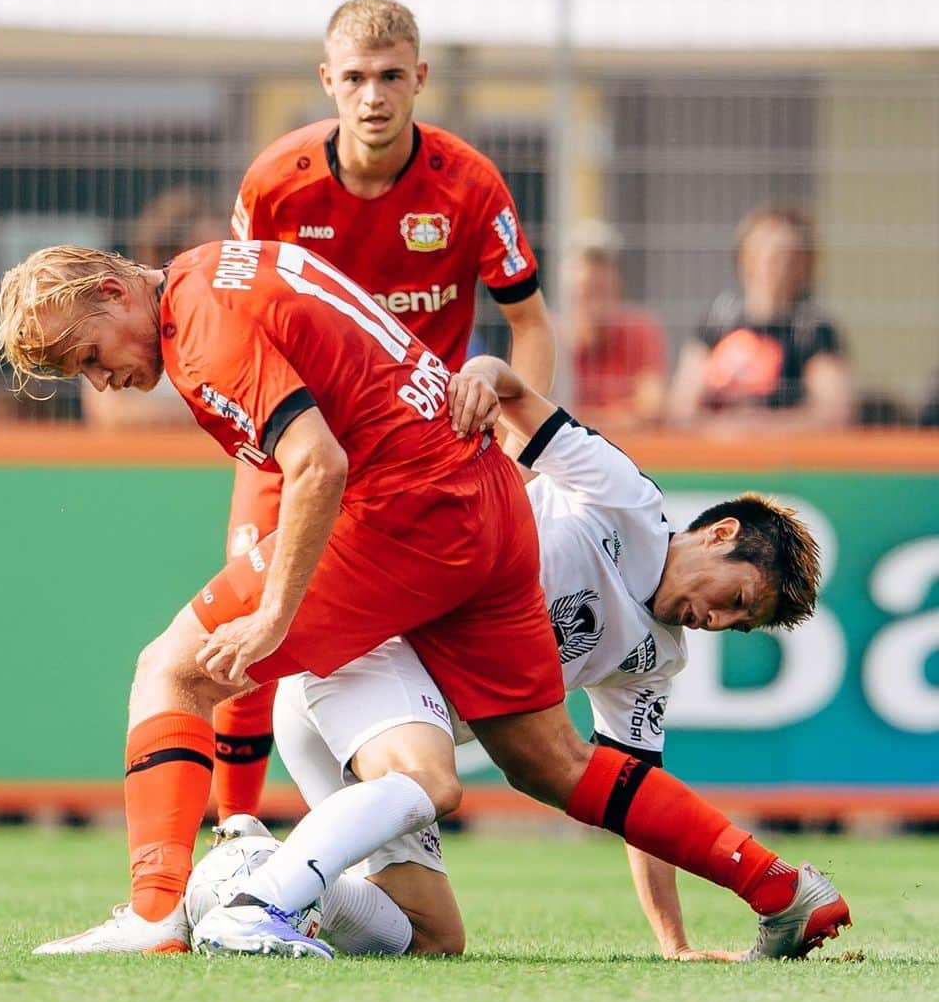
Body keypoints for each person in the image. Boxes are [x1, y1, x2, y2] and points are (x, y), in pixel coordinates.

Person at [0, 240, 849, 962]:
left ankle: (167, 911)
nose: (102, 382)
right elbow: (493, 397)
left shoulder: (200, 326)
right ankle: (781, 889)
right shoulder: (221, 270)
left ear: (110, 290)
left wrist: (276, 611)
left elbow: (319, 463)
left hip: (409, 519)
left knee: (172, 670)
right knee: (532, 790)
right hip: (485, 516)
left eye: (89, 356)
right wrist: (482, 377)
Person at [207, 357, 845, 962]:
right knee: (436, 783)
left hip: (394, 727)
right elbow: (512, 393)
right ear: (721, 533)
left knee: (432, 937)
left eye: (738, 625)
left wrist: (672, 942)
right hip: (371, 656)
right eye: (735, 599)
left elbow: (633, 800)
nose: (717, 622)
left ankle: (249, 873)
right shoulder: (625, 499)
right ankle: (254, 901)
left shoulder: (654, 659)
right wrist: (483, 374)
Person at [213, 0, 555, 822]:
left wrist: (520, 439)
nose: (374, 96)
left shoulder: (468, 184)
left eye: (392, 76)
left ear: (420, 79)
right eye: (358, 78)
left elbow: (530, 321)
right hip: (298, 439)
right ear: (328, 82)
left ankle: (389, 818)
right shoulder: (276, 183)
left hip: (420, 454)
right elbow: (232, 309)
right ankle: (236, 831)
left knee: (417, 642)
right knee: (242, 623)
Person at [667, 205, 852, 432]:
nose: (771, 262)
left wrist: (759, 428)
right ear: (744, 256)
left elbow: (831, 414)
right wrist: (721, 430)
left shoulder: (813, 330)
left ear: (803, 264)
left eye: (784, 254)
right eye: (763, 250)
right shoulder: (719, 319)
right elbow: (682, 406)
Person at [82, 188, 219, 430]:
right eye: (207, 250)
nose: (223, 261)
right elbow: (110, 414)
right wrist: (216, 414)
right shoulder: (125, 323)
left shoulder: (232, 318)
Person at [565, 220, 666, 429]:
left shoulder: (639, 330)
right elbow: (531, 416)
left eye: (604, 268)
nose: (597, 276)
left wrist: (577, 422)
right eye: (588, 286)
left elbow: (652, 408)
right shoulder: (551, 337)